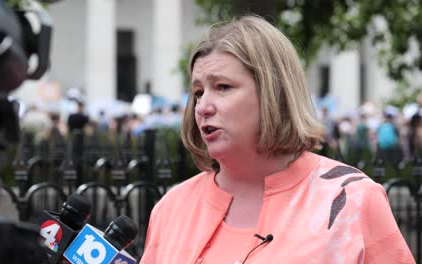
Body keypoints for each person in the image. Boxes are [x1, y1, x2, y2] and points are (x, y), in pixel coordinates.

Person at [140, 15, 415, 264]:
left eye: (223, 87)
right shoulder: (171, 208)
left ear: (274, 92)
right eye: (198, 92)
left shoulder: (353, 199)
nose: (203, 107)